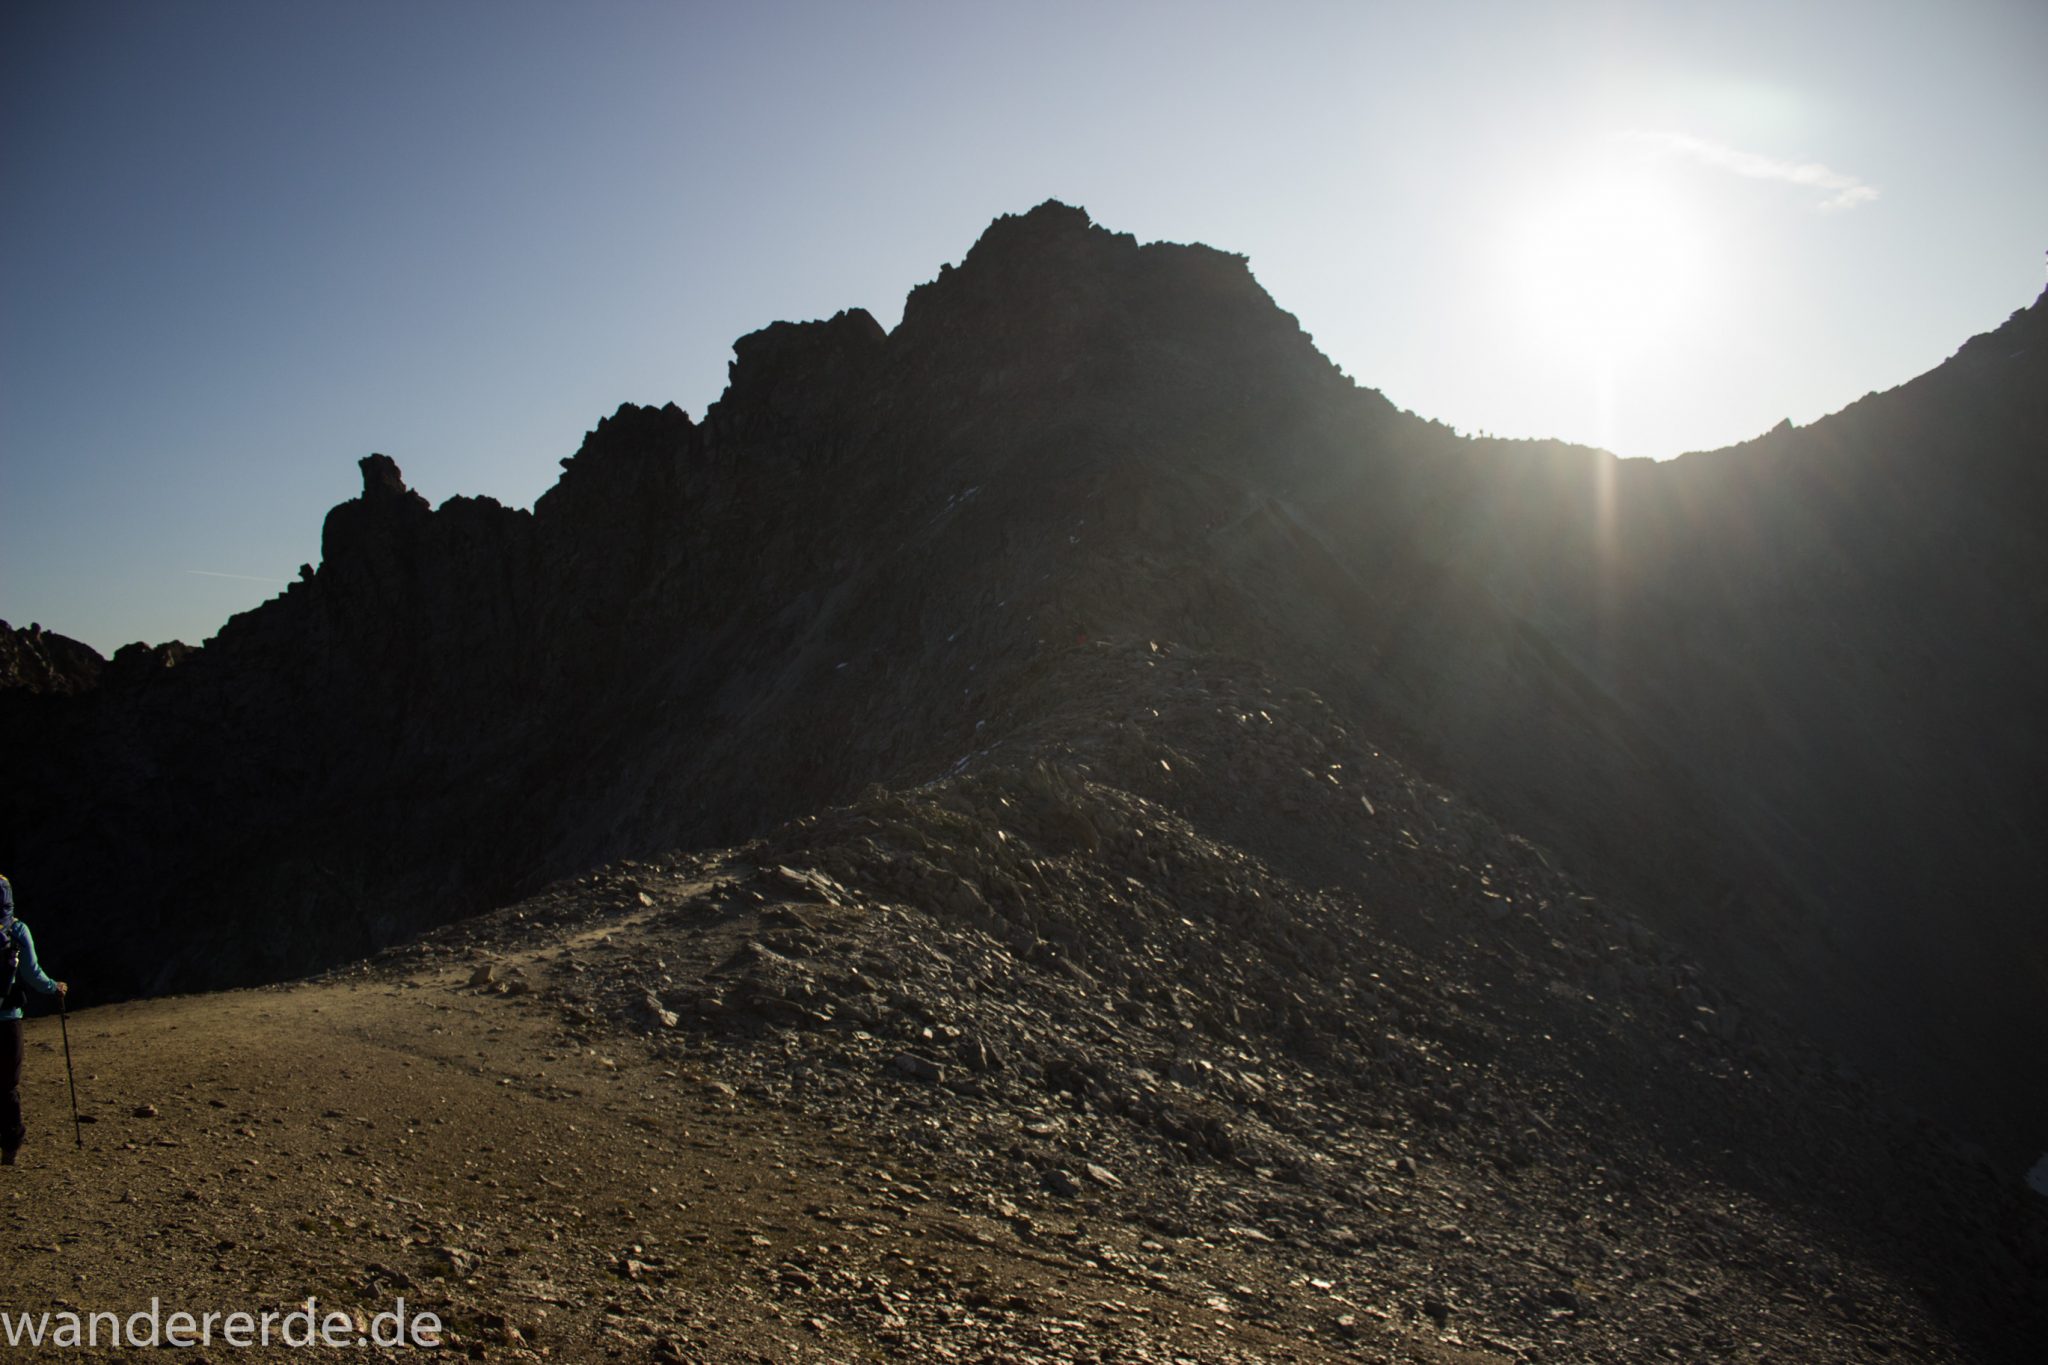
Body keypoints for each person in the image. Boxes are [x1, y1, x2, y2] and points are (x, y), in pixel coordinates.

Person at [2, 874, 68, 1166]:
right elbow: (32, 973)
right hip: (8, 1019)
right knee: (5, 1086)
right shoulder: (17, 930)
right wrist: (55, 987)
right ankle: (10, 1145)